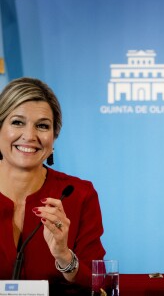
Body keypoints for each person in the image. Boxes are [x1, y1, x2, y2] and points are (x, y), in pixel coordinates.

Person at [0, 77, 106, 295]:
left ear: (54, 137)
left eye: (42, 126)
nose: (29, 136)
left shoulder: (78, 194)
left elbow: (99, 285)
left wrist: (64, 256)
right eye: (17, 122)